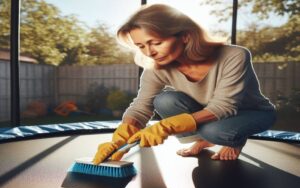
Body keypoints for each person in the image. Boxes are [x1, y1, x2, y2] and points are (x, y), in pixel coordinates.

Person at [92, 4, 276, 164]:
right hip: (207, 112)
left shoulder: (234, 55)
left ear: (185, 36)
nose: (149, 52)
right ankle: (203, 140)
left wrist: (167, 126)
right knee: (165, 100)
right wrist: (119, 140)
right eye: (141, 46)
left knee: (215, 131)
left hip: (250, 112)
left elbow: (223, 107)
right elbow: (141, 106)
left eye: (156, 42)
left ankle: (232, 140)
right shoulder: (157, 68)